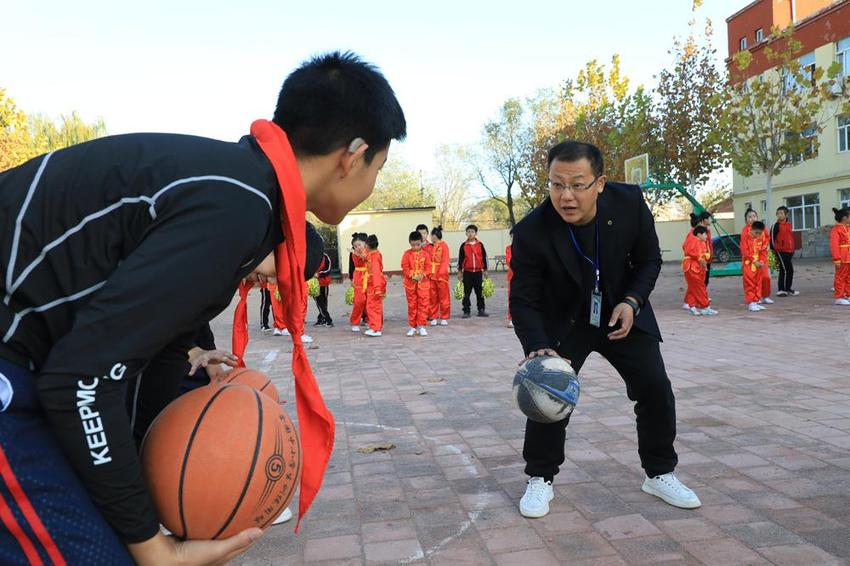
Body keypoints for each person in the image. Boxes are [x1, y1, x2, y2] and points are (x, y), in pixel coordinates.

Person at [0, 50, 406, 565]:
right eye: (380, 167)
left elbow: (161, 353)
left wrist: (156, 504)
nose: (372, 182)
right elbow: (82, 379)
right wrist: (153, 549)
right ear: (353, 156)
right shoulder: (234, 206)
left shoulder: (238, 189)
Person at [510, 140, 700, 519]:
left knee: (655, 388)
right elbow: (523, 299)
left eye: (577, 184)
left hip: (619, 311)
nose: (565, 196)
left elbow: (649, 260)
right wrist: (538, 348)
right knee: (548, 396)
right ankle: (540, 477)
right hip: (564, 320)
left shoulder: (628, 203)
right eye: (556, 184)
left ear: (599, 183)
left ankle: (660, 472)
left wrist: (632, 302)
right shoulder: (532, 230)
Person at [402, 231, 431, 336]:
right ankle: (412, 327)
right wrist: (411, 275)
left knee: (423, 305)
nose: (415, 247)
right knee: (412, 305)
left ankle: (422, 326)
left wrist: (422, 275)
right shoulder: (406, 254)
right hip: (410, 284)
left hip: (423, 284)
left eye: (418, 244)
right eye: (413, 245)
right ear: (409, 243)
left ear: (422, 242)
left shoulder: (426, 254)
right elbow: (405, 267)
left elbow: (428, 267)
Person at [742, 208, 773, 305]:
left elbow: (767, 239)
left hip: (762, 258)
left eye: (754, 216)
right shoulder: (745, 232)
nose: (752, 218)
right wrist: (753, 259)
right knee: (752, 280)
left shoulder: (762, 229)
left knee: (765, 278)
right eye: (749, 217)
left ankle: (765, 296)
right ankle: (754, 299)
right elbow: (745, 249)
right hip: (750, 260)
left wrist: (763, 257)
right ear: (746, 219)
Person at [682, 226, 716, 316]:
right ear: (699, 234)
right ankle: (705, 307)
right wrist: (699, 258)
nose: (706, 236)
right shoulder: (694, 240)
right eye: (705, 234)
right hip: (692, 267)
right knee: (700, 288)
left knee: (694, 288)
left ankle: (692, 306)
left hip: (697, 268)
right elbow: (690, 251)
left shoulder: (702, 242)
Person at [457, 224, 489, 318]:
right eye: (468, 232)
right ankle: (466, 311)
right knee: (466, 293)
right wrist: (460, 272)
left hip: (478, 272)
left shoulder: (480, 245)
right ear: (466, 233)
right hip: (467, 273)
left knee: (480, 292)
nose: (470, 233)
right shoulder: (463, 245)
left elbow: (484, 257)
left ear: (476, 233)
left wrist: (485, 270)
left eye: (472, 232)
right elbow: (460, 259)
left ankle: (481, 310)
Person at [771, 206, 799, 296]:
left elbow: (790, 238)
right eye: (778, 213)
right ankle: (781, 289)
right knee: (785, 269)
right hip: (780, 251)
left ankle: (787, 289)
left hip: (789, 251)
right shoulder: (776, 225)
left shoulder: (789, 225)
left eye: (781, 213)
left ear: (786, 215)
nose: (779, 215)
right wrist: (774, 250)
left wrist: (792, 249)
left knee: (789, 270)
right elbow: (771, 238)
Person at [364, 235, 386, 337]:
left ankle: (376, 329)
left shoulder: (375, 257)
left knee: (373, 307)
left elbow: (376, 273)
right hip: (372, 284)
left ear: (368, 245)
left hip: (375, 285)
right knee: (373, 306)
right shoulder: (372, 255)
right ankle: (375, 326)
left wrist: (377, 288)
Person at [428, 226, 451, 326]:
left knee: (443, 297)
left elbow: (445, 261)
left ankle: (444, 317)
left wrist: (441, 274)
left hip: (441, 276)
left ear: (434, 236)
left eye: (431, 235)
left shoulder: (444, 246)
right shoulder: (431, 246)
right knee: (433, 297)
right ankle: (433, 316)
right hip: (432, 275)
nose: (431, 237)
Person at [830, 207, 850, 305]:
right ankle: (839, 296)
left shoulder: (848, 228)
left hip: (849, 256)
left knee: (849, 277)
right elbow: (834, 245)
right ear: (844, 218)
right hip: (842, 257)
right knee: (840, 277)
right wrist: (836, 258)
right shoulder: (836, 230)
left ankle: (848, 294)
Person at [349, 233, 369, 332]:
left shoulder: (369, 251)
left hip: (369, 276)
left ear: (365, 243)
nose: (358, 247)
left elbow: (367, 258)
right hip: (359, 276)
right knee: (359, 301)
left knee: (370, 300)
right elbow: (362, 258)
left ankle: (370, 320)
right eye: (355, 246)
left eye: (359, 245)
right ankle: (355, 321)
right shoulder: (354, 254)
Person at [314, 252, 334, 327]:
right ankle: (327, 319)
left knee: (324, 302)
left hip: (324, 282)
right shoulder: (309, 255)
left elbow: (328, 270)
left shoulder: (325, 256)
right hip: (314, 284)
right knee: (319, 302)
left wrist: (319, 274)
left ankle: (322, 319)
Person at [506, 230, 514, 327]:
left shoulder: (526, 248)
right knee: (512, 298)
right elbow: (509, 261)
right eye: (512, 236)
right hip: (512, 277)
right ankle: (511, 318)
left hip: (525, 277)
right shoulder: (509, 249)